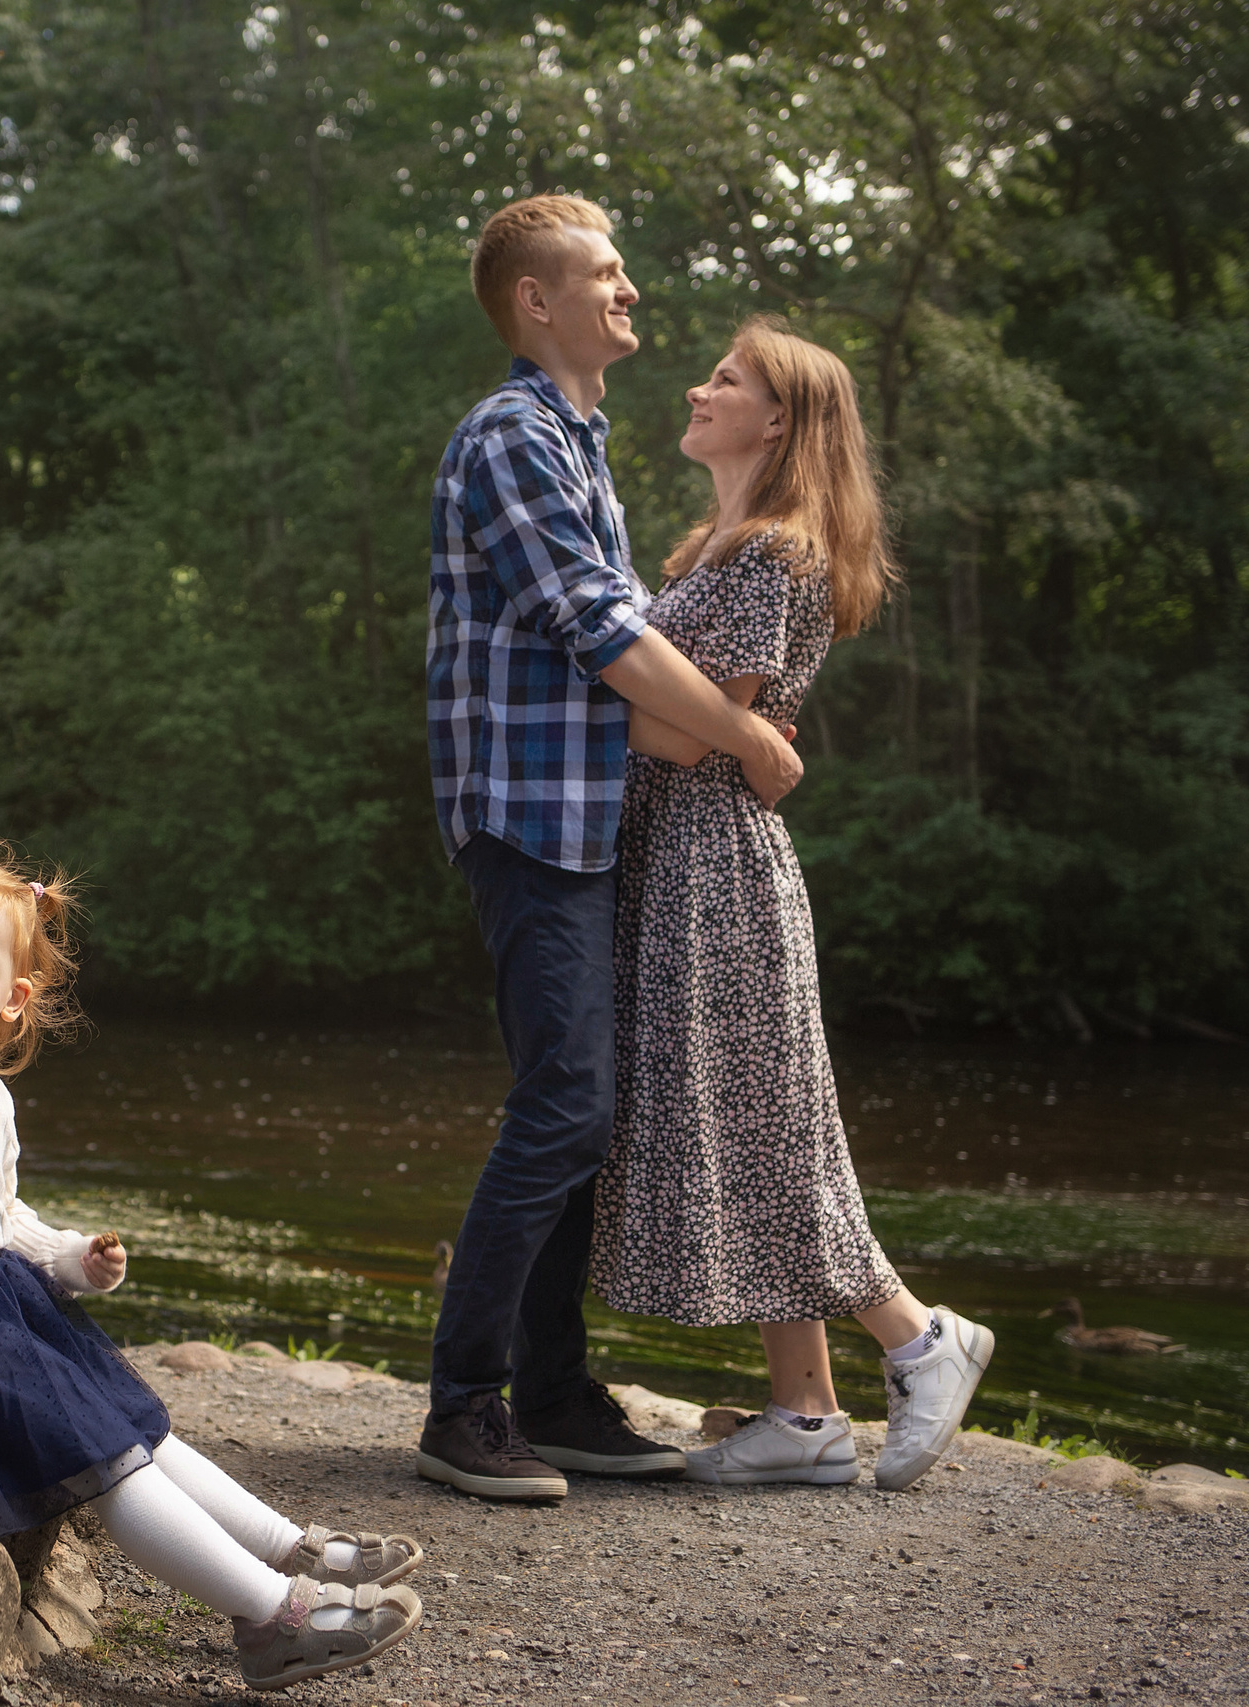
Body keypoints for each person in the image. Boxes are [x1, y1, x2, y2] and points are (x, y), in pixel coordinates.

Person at [0, 840, 425, 1690]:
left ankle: (286, 1543)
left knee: (139, 1430)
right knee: (109, 1459)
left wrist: (67, 1258)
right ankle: (272, 1612)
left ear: (14, 999)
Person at [420, 195, 808, 1503]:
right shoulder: (513, 438)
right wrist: (747, 742)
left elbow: (641, 650)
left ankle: (557, 1390)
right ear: (539, 300)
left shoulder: (581, 444)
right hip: (530, 817)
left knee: (579, 1108)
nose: (631, 290)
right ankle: (466, 1400)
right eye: (605, 272)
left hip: (586, 819)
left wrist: (732, 717)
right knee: (569, 1101)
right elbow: (607, 634)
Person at [587, 316, 992, 1491]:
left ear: (780, 420)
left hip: (712, 865)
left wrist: (586, 672)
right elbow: (710, 722)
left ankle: (919, 1338)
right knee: (753, 1123)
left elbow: (676, 732)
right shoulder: (703, 551)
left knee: (768, 1130)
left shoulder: (773, 554)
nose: (698, 388)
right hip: (675, 861)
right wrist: (715, 720)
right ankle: (805, 1415)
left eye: (727, 380)